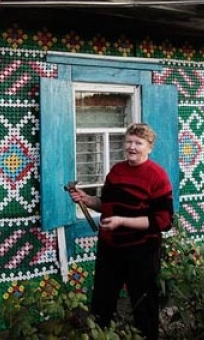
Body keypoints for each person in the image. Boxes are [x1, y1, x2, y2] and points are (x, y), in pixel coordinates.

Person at [68, 123, 173, 340]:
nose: (132, 147)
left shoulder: (157, 176)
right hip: (110, 249)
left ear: (149, 147)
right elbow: (105, 204)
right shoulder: (116, 172)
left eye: (138, 143)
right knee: (101, 305)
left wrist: (121, 221)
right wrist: (87, 199)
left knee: (144, 306)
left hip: (141, 252)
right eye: (129, 142)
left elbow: (163, 221)